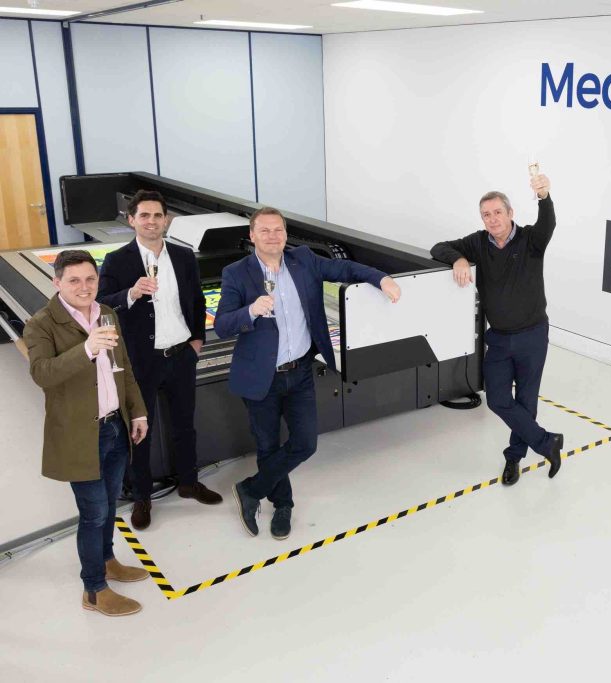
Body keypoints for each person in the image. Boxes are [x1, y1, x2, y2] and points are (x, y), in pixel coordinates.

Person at [215, 207, 402, 540]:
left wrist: (381, 278)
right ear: (252, 235)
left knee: (305, 443)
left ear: (286, 234)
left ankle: (250, 489)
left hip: (300, 371)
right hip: (261, 377)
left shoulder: (303, 259)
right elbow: (222, 325)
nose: (272, 236)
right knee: (268, 445)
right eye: (264, 230)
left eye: (278, 230)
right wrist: (251, 310)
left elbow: (345, 268)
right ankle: (283, 505)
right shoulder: (236, 273)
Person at [24, 250, 150, 616]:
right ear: (57, 282)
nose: (84, 287)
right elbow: (42, 374)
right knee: (94, 513)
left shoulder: (106, 313)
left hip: (114, 426)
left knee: (109, 505)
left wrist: (137, 411)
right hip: (81, 435)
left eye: (90, 279)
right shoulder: (41, 324)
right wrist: (86, 349)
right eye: (74, 280)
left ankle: (107, 560)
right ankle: (94, 589)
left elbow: (123, 367)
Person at [98, 190, 222, 530]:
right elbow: (102, 305)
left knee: (185, 424)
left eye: (157, 215)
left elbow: (197, 300)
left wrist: (197, 340)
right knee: (141, 430)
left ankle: (188, 482)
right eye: (144, 215)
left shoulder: (183, 256)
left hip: (181, 355)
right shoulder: (117, 261)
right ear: (131, 220)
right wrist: (131, 293)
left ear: (166, 220)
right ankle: (142, 496)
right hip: (142, 362)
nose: (151, 221)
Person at [430, 171, 563, 486]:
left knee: (526, 401)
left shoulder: (531, 239)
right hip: (500, 340)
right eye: (486, 214)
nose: (492, 219)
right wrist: (459, 259)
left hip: (532, 336)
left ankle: (514, 457)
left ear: (510, 213)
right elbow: (438, 247)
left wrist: (544, 197)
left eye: (497, 212)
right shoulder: (478, 243)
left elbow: (549, 223)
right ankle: (547, 443)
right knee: (497, 399)